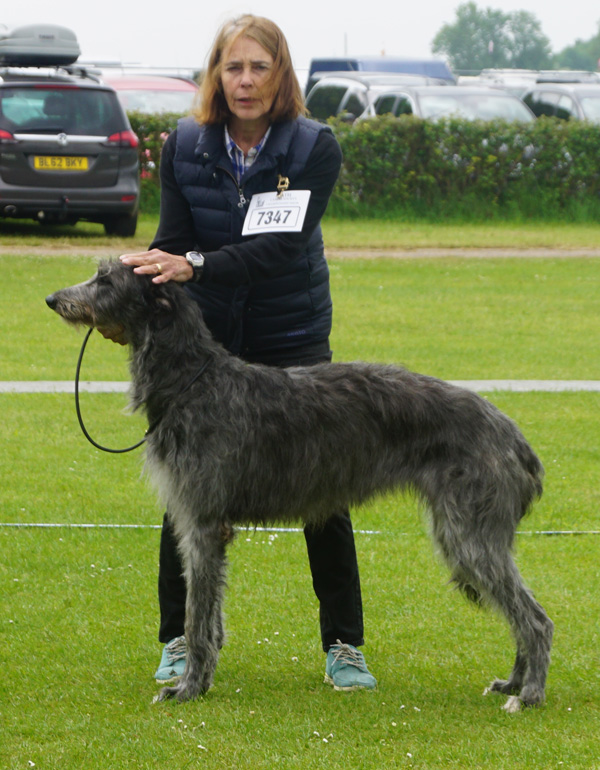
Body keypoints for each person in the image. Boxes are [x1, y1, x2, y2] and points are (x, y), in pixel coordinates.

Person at [120, 14, 376, 692]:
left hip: (290, 334)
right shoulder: (184, 145)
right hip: (206, 344)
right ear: (216, 74)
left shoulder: (312, 148)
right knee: (189, 494)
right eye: (233, 67)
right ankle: (178, 640)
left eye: (259, 67)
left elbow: (282, 247)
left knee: (326, 489)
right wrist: (138, 273)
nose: (245, 80)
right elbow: (173, 237)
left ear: (281, 74)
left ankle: (344, 645)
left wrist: (193, 265)